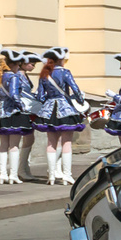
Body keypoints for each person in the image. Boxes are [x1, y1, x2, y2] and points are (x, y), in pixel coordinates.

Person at [0, 46, 39, 183]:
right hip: (14, 112)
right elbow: (15, 95)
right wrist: (22, 107)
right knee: (14, 145)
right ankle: (13, 175)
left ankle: (2, 174)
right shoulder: (14, 77)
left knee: (3, 145)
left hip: (0, 112)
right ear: (15, 64)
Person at [34, 48, 87, 186]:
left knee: (51, 143)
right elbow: (75, 89)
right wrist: (80, 100)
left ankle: (51, 176)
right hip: (65, 109)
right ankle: (66, 175)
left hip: (49, 110)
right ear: (61, 60)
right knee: (66, 142)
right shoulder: (65, 72)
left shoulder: (45, 73)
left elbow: (40, 96)